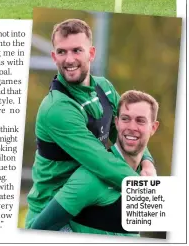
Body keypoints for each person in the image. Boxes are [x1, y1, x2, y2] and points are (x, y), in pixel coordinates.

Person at [25, 19, 155, 228]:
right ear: (53, 56)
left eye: (77, 50)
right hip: (54, 216)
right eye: (62, 52)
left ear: (91, 53)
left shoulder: (105, 87)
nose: (69, 59)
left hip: (87, 202)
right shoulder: (57, 109)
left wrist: (148, 162)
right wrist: (150, 192)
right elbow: (101, 162)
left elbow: (127, 132)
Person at [29, 90, 160, 235]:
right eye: (125, 119)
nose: (132, 127)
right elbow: (36, 231)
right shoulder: (89, 180)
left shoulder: (146, 174)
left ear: (153, 128)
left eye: (140, 120)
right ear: (116, 122)